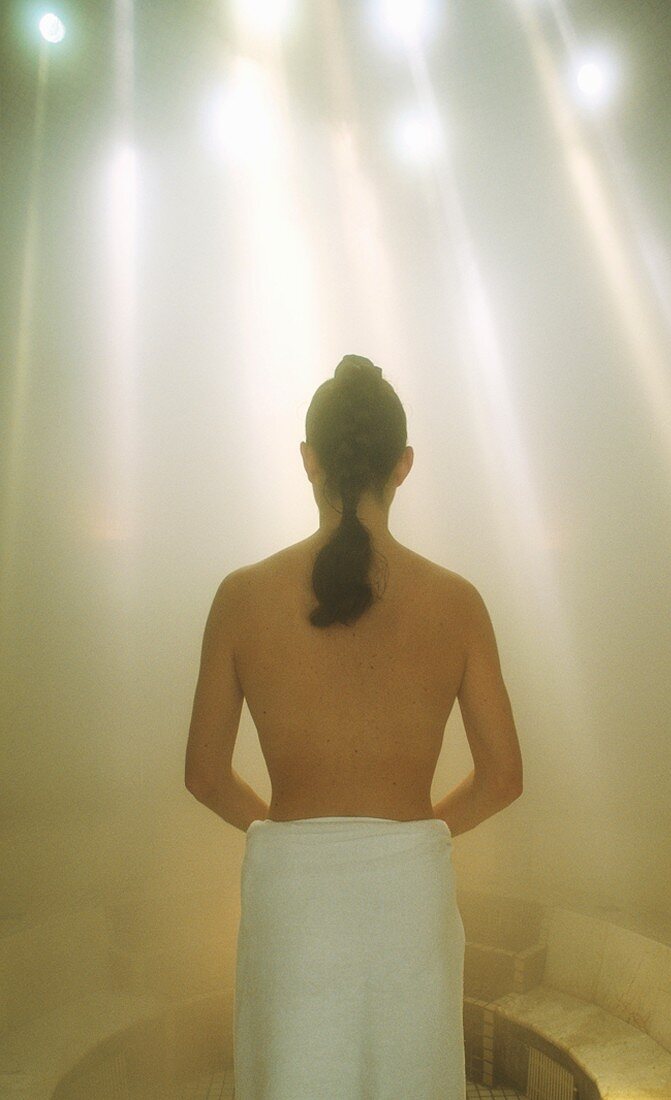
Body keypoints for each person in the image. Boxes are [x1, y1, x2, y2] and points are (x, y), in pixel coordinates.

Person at [185, 354, 523, 1098]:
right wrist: (408, 836)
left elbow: (205, 776)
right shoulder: (456, 603)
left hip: (291, 895)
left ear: (308, 462)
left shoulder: (241, 598)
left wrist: (288, 833)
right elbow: (503, 778)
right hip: (407, 891)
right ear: (402, 466)